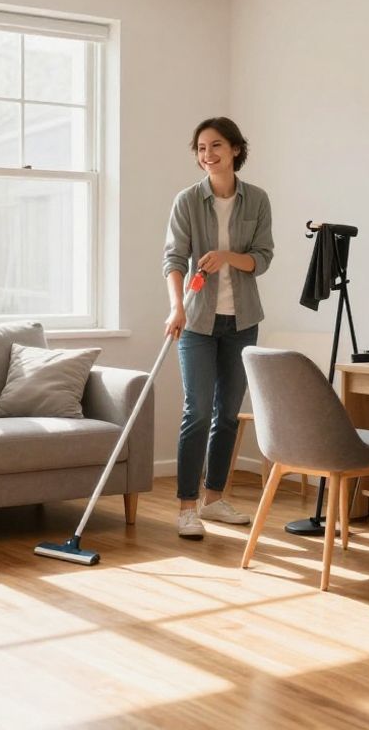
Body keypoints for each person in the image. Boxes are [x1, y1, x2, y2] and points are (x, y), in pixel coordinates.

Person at [162, 117, 275, 539]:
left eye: (216, 147)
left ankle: (214, 499)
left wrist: (226, 256)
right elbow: (174, 259)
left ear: (235, 150)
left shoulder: (257, 200)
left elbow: (262, 258)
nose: (207, 155)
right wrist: (177, 308)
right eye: (201, 149)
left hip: (242, 321)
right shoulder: (187, 201)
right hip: (196, 322)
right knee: (198, 411)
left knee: (226, 414)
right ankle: (186, 506)